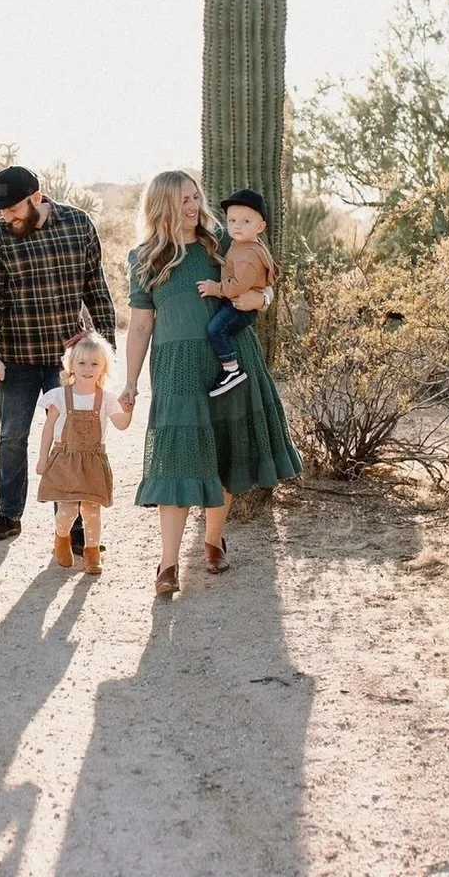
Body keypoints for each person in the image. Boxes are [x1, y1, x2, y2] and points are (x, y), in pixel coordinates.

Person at [120, 170, 301, 596]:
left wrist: (265, 298)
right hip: (176, 365)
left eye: (195, 196)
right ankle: (167, 564)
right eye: (184, 199)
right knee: (178, 457)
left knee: (226, 447)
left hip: (230, 358)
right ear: (162, 204)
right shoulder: (144, 258)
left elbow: (262, 276)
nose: (192, 205)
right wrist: (129, 381)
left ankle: (213, 538)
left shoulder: (220, 240)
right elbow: (141, 323)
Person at [0, 165, 117, 548]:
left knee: (72, 441)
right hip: (16, 357)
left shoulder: (78, 224)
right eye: (1, 209)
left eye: (12, 207)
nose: (7, 215)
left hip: (69, 360)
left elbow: (96, 289)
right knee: (12, 437)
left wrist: (104, 352)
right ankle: (9, 515)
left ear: (37, 198)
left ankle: (72, 528)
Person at [35, 333, 133, 576]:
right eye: (81, 363)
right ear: (71, 365)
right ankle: (61, 538)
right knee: (67, 512)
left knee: (91, 511)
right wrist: (42, 458)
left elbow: (121, 424)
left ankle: (92, 553)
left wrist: (129, 410)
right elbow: (48, 428)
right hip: (65, 459)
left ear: (103, 368)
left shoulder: (106, 398)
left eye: (94, 364)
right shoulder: (59, 395)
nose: (87, 369)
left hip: (93, 461)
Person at [196, 187, 280, 397]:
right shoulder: (244, 243)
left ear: (260, 227)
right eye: (232, 221)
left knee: (216, 329)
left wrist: (214, 288)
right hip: (239, 302)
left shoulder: (249, 255)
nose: (237, 226)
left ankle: (232, 369)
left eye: (246, 222)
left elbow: (237, 287)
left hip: (241, 306)